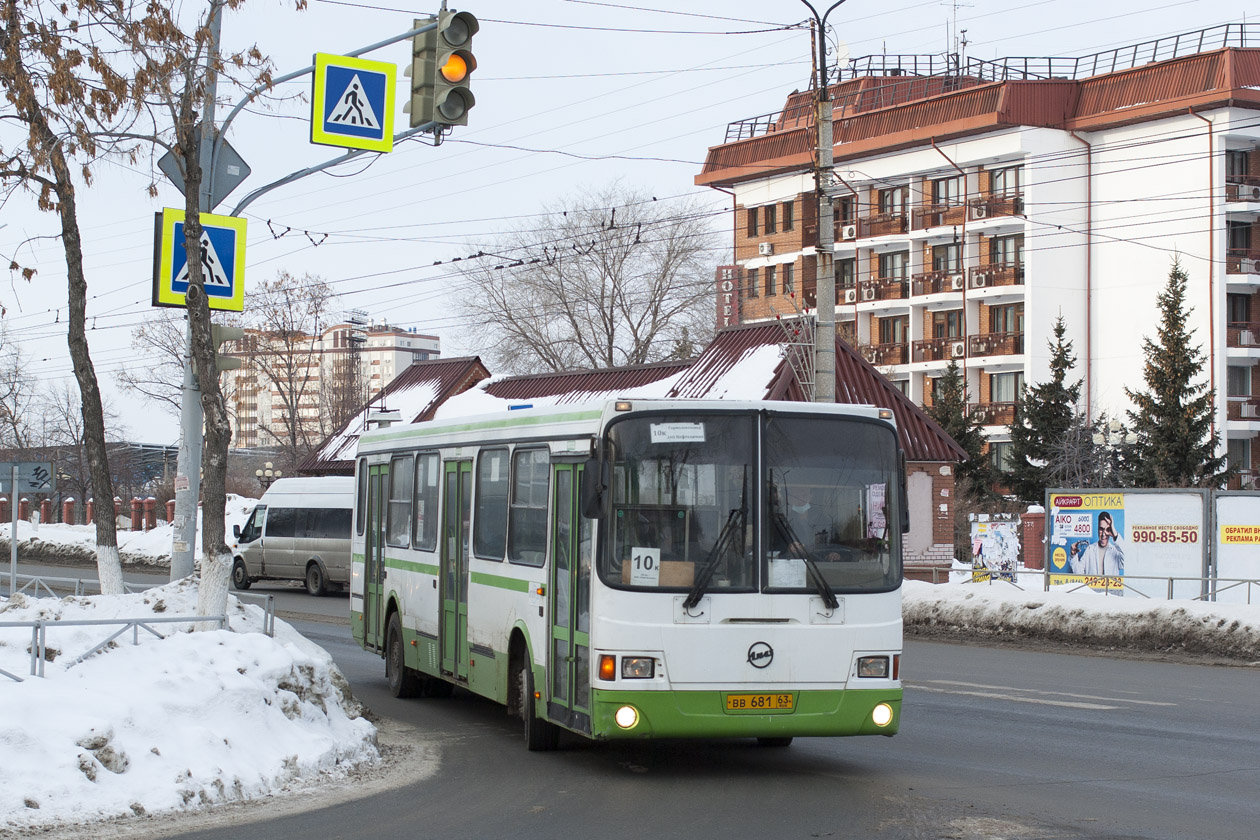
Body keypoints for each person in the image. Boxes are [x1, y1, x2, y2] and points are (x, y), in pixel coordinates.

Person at [1069, 511, 1125, 576]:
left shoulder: (1115, 551)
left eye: (1108, 529)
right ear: (1098, 529)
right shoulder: (1089, 550)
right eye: (1101, 529)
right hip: (1091, 586)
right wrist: (1073, 556)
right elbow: (1078, 573)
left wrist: (1115, 534)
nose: (1104, 534)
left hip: (1110, 586)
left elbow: (1126, 561)